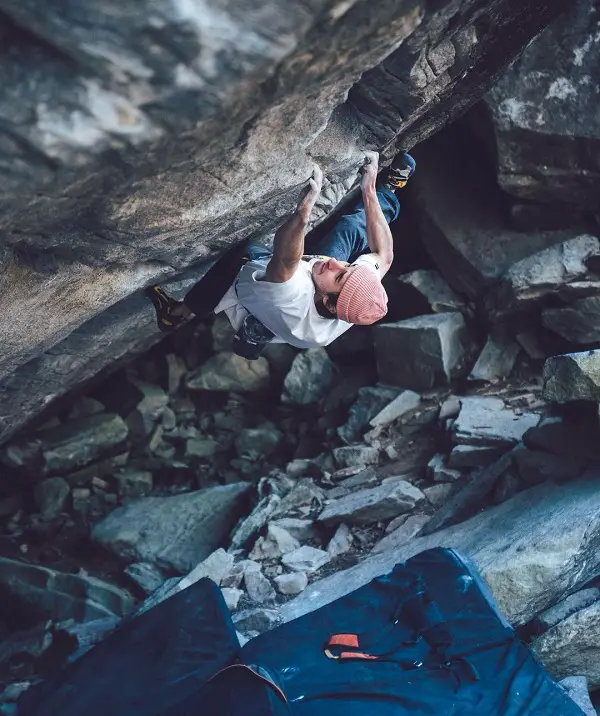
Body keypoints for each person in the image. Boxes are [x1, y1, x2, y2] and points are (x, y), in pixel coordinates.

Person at [147, 150, 415, 357]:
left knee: (245, 254)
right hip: (300, 317)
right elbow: (385, 254)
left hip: (268, 298)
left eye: (339, 276)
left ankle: (178, 313)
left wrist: (304, 211)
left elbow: (286, 259)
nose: (335, 263)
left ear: (330, 303)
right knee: (351, 229)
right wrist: (368, 188)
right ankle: (389, 190)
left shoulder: (292, 294)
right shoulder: (359, 296)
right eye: (348, 267)